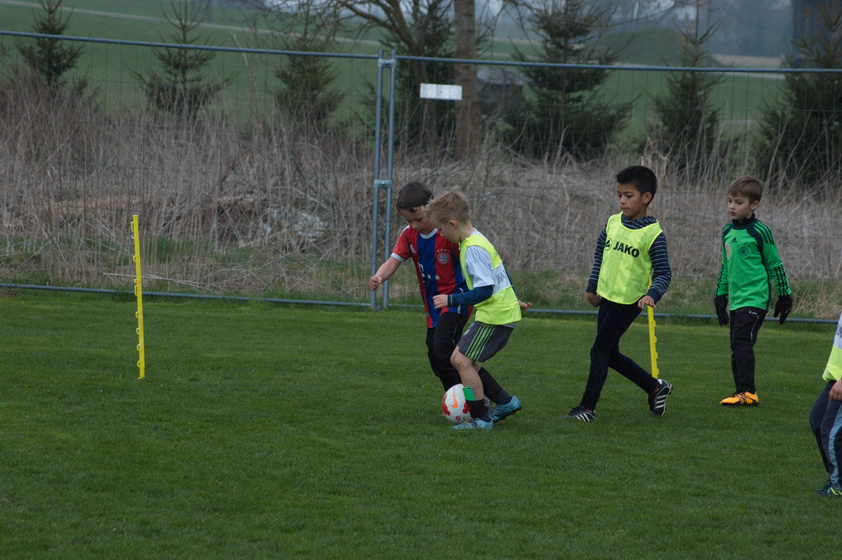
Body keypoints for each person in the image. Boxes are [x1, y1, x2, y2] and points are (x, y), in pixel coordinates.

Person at [369, 182, 523, 424]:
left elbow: (489, 273)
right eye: (409, 220)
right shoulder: (412, 235)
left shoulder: (456, 237)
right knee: (440, 358)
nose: (414, 225)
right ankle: (469, 401)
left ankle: (479, 408)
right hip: (436, 307)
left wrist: (509, 296)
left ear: (430, 209)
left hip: (458, 302)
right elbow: (393, 260)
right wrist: (379, 276)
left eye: (418, 219)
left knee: (453, 355)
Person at [562, 165, 673, 423]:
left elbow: (664, 273)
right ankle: (655, 387)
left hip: (630, 301)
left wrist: (651, 295)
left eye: (628, 195)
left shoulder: (653, 234)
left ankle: (587, 408)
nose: (622, 200)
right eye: (619, 195)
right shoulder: (613, 222)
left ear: (646, 197)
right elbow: (600, 255)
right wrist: (592, 287)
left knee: (599, 351)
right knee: (610, 353)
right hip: (607, 297)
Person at [426, 191, 523, 430]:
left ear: (452, 224)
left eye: (440, 229)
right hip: (497, 312)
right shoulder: (477, 240)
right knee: (458, 359)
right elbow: (500, 272)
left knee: (462, 362)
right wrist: (514, 298)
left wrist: (451, 299)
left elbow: (485, 289)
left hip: (496, 316)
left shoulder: (473, 249)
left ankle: (481, 417)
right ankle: (504, 401)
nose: (440, 234)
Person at [713, 176, 792, 406]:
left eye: (738, 202)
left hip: (755, 298)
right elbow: (726, 266)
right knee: (736, 345)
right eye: (730, 201)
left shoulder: (760, 231)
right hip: (737, 300)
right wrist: (720, 295)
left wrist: (784, 295)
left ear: (754, 205)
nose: (732, 206)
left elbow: (775, 263)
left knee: (742, 342)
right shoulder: (727, 232)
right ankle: (741, 392)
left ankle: (748, 392)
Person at [809, 311, 842, 498]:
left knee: (832, 432)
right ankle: (834, 477)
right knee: (818, 420)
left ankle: (839, 486)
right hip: (835, 378)